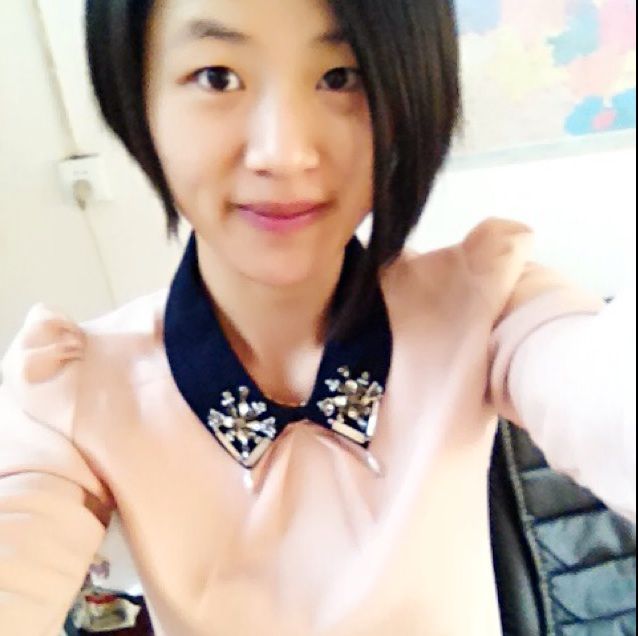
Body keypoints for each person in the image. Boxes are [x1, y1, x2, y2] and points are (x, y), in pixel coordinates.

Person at [0, 0, 634, 634]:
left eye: (340, 77)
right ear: (139, 99)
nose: (282, 154)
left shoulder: (485, 307)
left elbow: (601, 395)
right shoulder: (74, 390)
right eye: (217, 77)